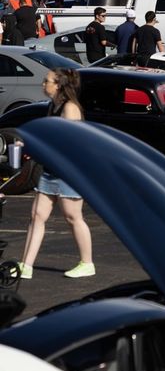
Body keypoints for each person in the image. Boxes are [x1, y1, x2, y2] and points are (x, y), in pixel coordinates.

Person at [18, 68, 95, 279]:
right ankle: (26, 265)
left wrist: (41, 147)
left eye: (47, 81)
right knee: (37, 215)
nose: (43, 84)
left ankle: (87, 263)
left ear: (59, 85)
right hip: (52, 170)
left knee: (73, 216)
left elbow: (71, 142)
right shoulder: (54, 106)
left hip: (69, 171)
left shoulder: (70, 108)